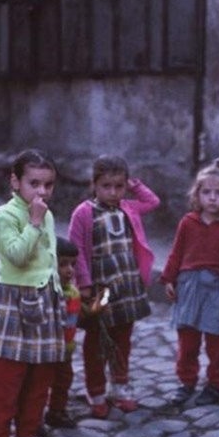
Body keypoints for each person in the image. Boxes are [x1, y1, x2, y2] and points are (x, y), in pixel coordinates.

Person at [0, 149, 67, 437]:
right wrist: (33, 223)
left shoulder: (46, 214)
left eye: (48, 185)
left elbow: (50, 259)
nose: (42, 192)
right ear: (15, 182)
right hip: (14, 301)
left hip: (43, 301)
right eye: (34, 184)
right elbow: (16, 255)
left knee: (40, 372)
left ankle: (28, 435)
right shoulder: (5, 215)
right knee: (7, 375)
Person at [68, 155, 160, 418]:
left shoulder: (128, 207)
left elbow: (152, 202)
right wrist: (83, 284)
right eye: (106, 186)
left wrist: (134, 185)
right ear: (94, 185)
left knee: (123, 338)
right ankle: (95, 390)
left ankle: (120, 386)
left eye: (119, 186)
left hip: (127, 285)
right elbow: (77, 253)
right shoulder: (84, 213)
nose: (113, 192)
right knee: (97, 339)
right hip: (101, 288)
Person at [160, 158, 219, 407]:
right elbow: (177, 252)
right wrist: (168, 278)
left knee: (217, 342)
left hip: (216, 289)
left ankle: (216, 383)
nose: (213, 198)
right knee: (188, 341)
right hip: (189, 288)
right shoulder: (188, 223)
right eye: (207, 192)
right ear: (197, 194)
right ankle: (186, 381)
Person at [43, 237, 82, 429]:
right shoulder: (49, 292)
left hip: (66, 349)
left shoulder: (73, 293)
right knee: (42, 384)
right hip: (49, 350)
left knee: (64, 381)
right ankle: (33, 418)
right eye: (63, 264)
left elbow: (77, 317)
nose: (70, 270)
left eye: (73, 265)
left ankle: (57, 411)